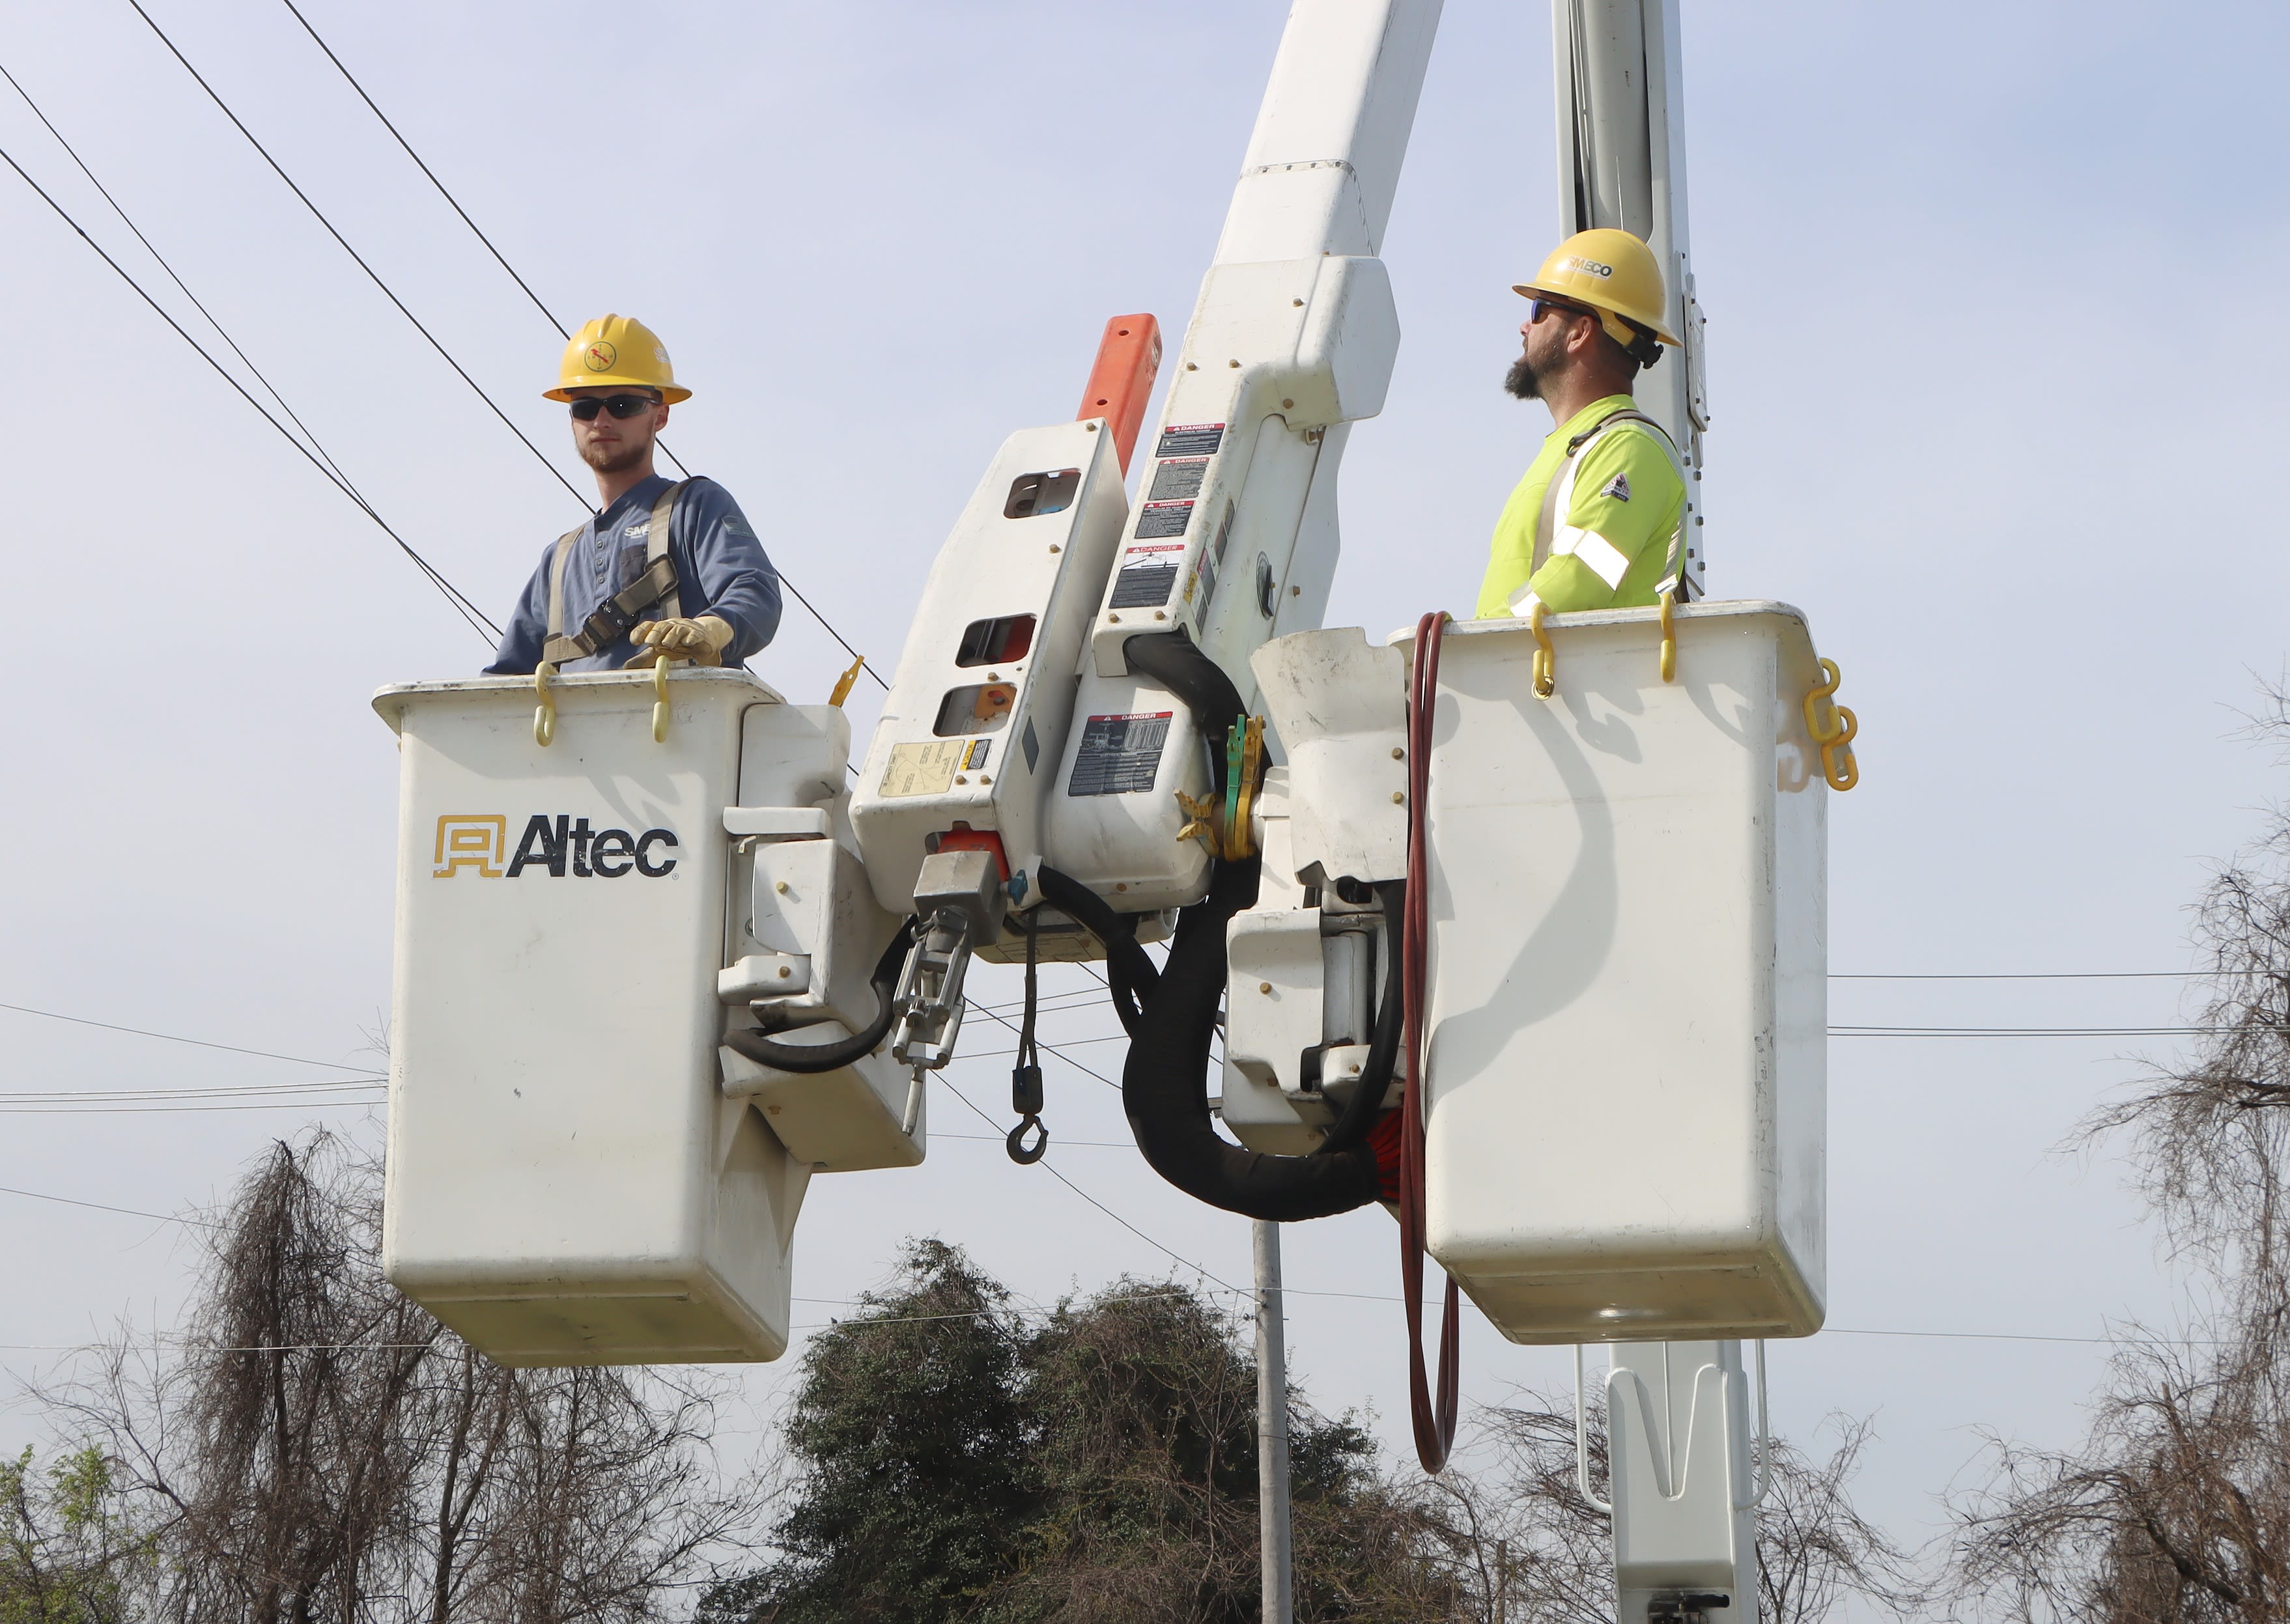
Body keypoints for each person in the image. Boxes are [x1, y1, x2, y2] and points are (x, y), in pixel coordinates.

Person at [487, 314, 781, 675]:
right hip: (582, 730)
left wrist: (712, 628)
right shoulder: (560, 561)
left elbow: (755, 592)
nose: (602, 420)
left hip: (680, 725)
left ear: (660, 416)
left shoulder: (694, 508)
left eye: (624, 405)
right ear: (572, 420)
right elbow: (502, 686)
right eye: (586, 407)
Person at [1473, 229, 1689, 622]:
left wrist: (1470, 649)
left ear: (1579, 333)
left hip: (1571, 682)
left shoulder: (1630, 448)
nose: (1525, 326)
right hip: (1525, 678)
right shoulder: (1577, 447)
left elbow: (1576, 583)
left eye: (1539, 309)